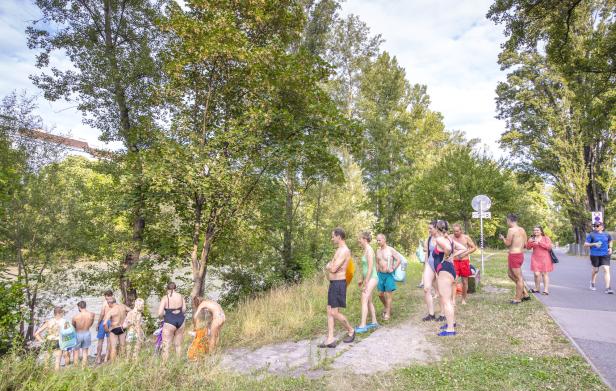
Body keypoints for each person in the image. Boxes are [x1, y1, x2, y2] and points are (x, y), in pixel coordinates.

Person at [318, 227, 355, 348]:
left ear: (339, 236)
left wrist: (329, 266)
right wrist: (331, 265)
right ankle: (330, 339)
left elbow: (333, 268)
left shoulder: (344, 250)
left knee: (334, 312)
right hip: (334, 283)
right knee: (329, 310)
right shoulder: (338, 250)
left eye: (333, 236)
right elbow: (332, 265)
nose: (332, 238)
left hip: (339, 283)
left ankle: (351, 330)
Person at [433, 220, 466, 336]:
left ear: (437, 228)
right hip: (450, 269)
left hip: (445, 270)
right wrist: (452, 255)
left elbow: (447, 248)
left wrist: (447, 255)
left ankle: (450, 329)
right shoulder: (449, 239)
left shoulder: (439, 239)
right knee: (446, 299)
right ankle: (452, 322)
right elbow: (463, 248)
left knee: (446, 301)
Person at [499, 213, 530, 304]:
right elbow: (525, 244)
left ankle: (518, 298)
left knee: (519, 278)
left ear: (509, 220)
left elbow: (507, 244)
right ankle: (525, 293)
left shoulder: (511, 230)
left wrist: (503, 238)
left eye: (507, 220)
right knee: (510, 274)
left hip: (514, 255)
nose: (507, 222)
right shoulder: (522, 230)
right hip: (520, 255)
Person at [375, 234, 403, 321]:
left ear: (384, 239)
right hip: (380, 274)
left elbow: (399, 259)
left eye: (379, 240)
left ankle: (387, 313)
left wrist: (393, 268)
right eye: (377, 240)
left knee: (388, 294)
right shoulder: (378, 251)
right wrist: (376, 273)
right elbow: (377, 262)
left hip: (388, 275)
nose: (378, 242)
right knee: (380, 294)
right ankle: (387, 307)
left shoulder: (390, 249)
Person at [355, 231, 379, 333]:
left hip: (372, 278)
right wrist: (361, 278)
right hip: (368, 278)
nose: (358, 240)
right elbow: (364, 268)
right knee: (369, 300)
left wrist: (366, 282)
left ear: (365, 239)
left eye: (360, 238)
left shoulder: (369, 250)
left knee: (364, 298)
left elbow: (370, 268)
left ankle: (363, 325)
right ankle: (374, 322)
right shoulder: (365, 250)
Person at [158, 282, 186, 361]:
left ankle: (164, 366)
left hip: (169, 320)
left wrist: (164, 316)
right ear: (175, 288)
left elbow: (160, 313)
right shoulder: (181, 296)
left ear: (167, 289)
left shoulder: (165, 298)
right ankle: (178, 364)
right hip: (181, 320)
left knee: (166, 345)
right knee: (178, 345)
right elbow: (184, 310)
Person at [450, 224, 477, 305]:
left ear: (461, 231)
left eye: (457, 231)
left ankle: (463, 299)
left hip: (464, 262)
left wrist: (465, 253)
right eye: (454, 231)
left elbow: (474, 247)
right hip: (454, 261)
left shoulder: (466, 237)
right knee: (454, 281)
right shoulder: (450, 237)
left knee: (465, 282)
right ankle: (453, 300)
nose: (455, 233)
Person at [584, 221, 613, 294]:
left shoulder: (607, 234)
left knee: (606, 269)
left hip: (605, 254)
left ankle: (608, 288)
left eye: (597, 226)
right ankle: (592, 282)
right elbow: (585, 244)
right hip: (595, 254)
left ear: (602, 227)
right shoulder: (591, 234)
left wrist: (610, 248)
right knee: (596, 270)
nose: (595, 227)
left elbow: (610, 241)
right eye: (595, 226)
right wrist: (594, 244)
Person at [422, 221, 443, 321]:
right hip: (429, 265)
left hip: (439, 266)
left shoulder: (442, 238)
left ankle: (443, 314)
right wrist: (425, 265)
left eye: (430, 228)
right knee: (426, 288)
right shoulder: (429, 239)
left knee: (441, 291)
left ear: (436, 228)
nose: (429, 230)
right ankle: (431, 314)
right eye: (428, 228)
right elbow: (427, 253)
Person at [34, 306, 66, 370]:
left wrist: (42, 341)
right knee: (57, 362)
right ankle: (56, 379)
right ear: (60, 313)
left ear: (54, 313)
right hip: (59, 341)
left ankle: (46, 377)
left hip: (49, 341)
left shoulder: (48, 322)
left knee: (47, 363)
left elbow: (36, 334)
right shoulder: (64, 322)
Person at [526, 226, 554, 295]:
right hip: (535, 258)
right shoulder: (532, 238)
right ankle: (537, 288)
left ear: (541, 231)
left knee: (545, 274)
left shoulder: (546, 238)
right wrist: (529, 242)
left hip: (545, 258)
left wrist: (539, 243)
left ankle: (546, 290)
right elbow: (528, 248)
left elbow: (549, 247)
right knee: (536, 274)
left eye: (537, 230)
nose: (535, 232)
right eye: (534, 230)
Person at [103, 297, 129, 362]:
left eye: (108, 304)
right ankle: (122, 361)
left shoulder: (111, 311)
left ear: (110, 303)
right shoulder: (123, 306)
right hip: (122, 328)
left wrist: (107, 330)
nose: (108, 305)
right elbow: (131, 311)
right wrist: (127, 321)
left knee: (113, 347)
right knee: (122, 345)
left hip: (114, 329)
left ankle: (113, 363)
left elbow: (104, 323)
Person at [71, 301, 95, 367]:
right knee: (85, 351)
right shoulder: (91, 314)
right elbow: (91, 323)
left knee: (76, 351)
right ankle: (83, 367)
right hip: (87, 333)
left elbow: (73, 326)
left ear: (79, 307)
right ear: (85, 306)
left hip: (78, 333)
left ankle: (76, 367)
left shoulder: (75, 317)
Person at [95, 290, 114, 364]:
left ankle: (99, 358)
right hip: (111, 322)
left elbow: (102, 314)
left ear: (106, 295)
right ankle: (106, 357)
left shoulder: (105, 303)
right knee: (109, 341)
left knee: (100, 341)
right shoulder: (115, 302)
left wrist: (97, 323)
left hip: (104, 322)